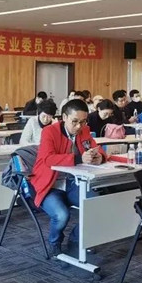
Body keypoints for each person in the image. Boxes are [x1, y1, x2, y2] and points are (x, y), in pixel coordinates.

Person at [30, 99, 105, 256]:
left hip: (72, 182)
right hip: (50, 184)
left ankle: (76, 239)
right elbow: (48, 159)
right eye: (75, 121)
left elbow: (96, 148)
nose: (79, 126)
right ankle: (54, 242)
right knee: (62, 215)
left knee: (96, 206)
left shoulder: (84, 130)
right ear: (64, 117)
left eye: (83, 122)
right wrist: (78, 158)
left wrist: (100, 157)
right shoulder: (49, 131)